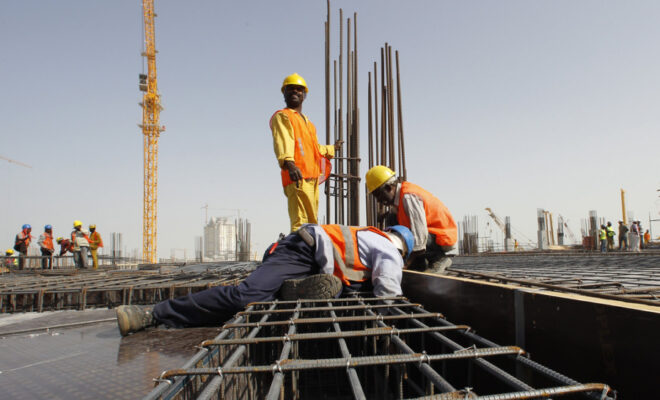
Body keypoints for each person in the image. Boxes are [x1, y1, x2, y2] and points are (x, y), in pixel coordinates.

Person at [115, 224, 413, 336]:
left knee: (264, 308)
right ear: (404, 249)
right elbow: (388, 288)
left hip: (312, 265)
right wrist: (394, 323)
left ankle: (289, 293)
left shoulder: (369, 242)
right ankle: (153, 313)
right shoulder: (388, 248)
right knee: (247, 297)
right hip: (299, 252)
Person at [270, 73, 343, 232]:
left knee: (311, 224)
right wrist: (289, 163)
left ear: (304, 95)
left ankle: (308, 255)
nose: (295, 92)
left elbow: (315, 148)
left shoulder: (308, 123)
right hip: (297, 176)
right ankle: (298, 255)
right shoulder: (283, 116)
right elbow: (284, 141)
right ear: (284, 93)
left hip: (312, 179)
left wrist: (332, 148)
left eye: (299, 90)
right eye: (290, 89)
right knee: (300, 225)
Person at [365, 165, 457, 274]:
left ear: (389, 188)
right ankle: (419, 263)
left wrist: (405, 264)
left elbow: (419, 235)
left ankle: (439, 259)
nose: (379, 200)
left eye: (379, 195)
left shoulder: (408, 197)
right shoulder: (397, 201)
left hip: (441, 237)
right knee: (392, 221)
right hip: (429, 235)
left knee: (410, 237)